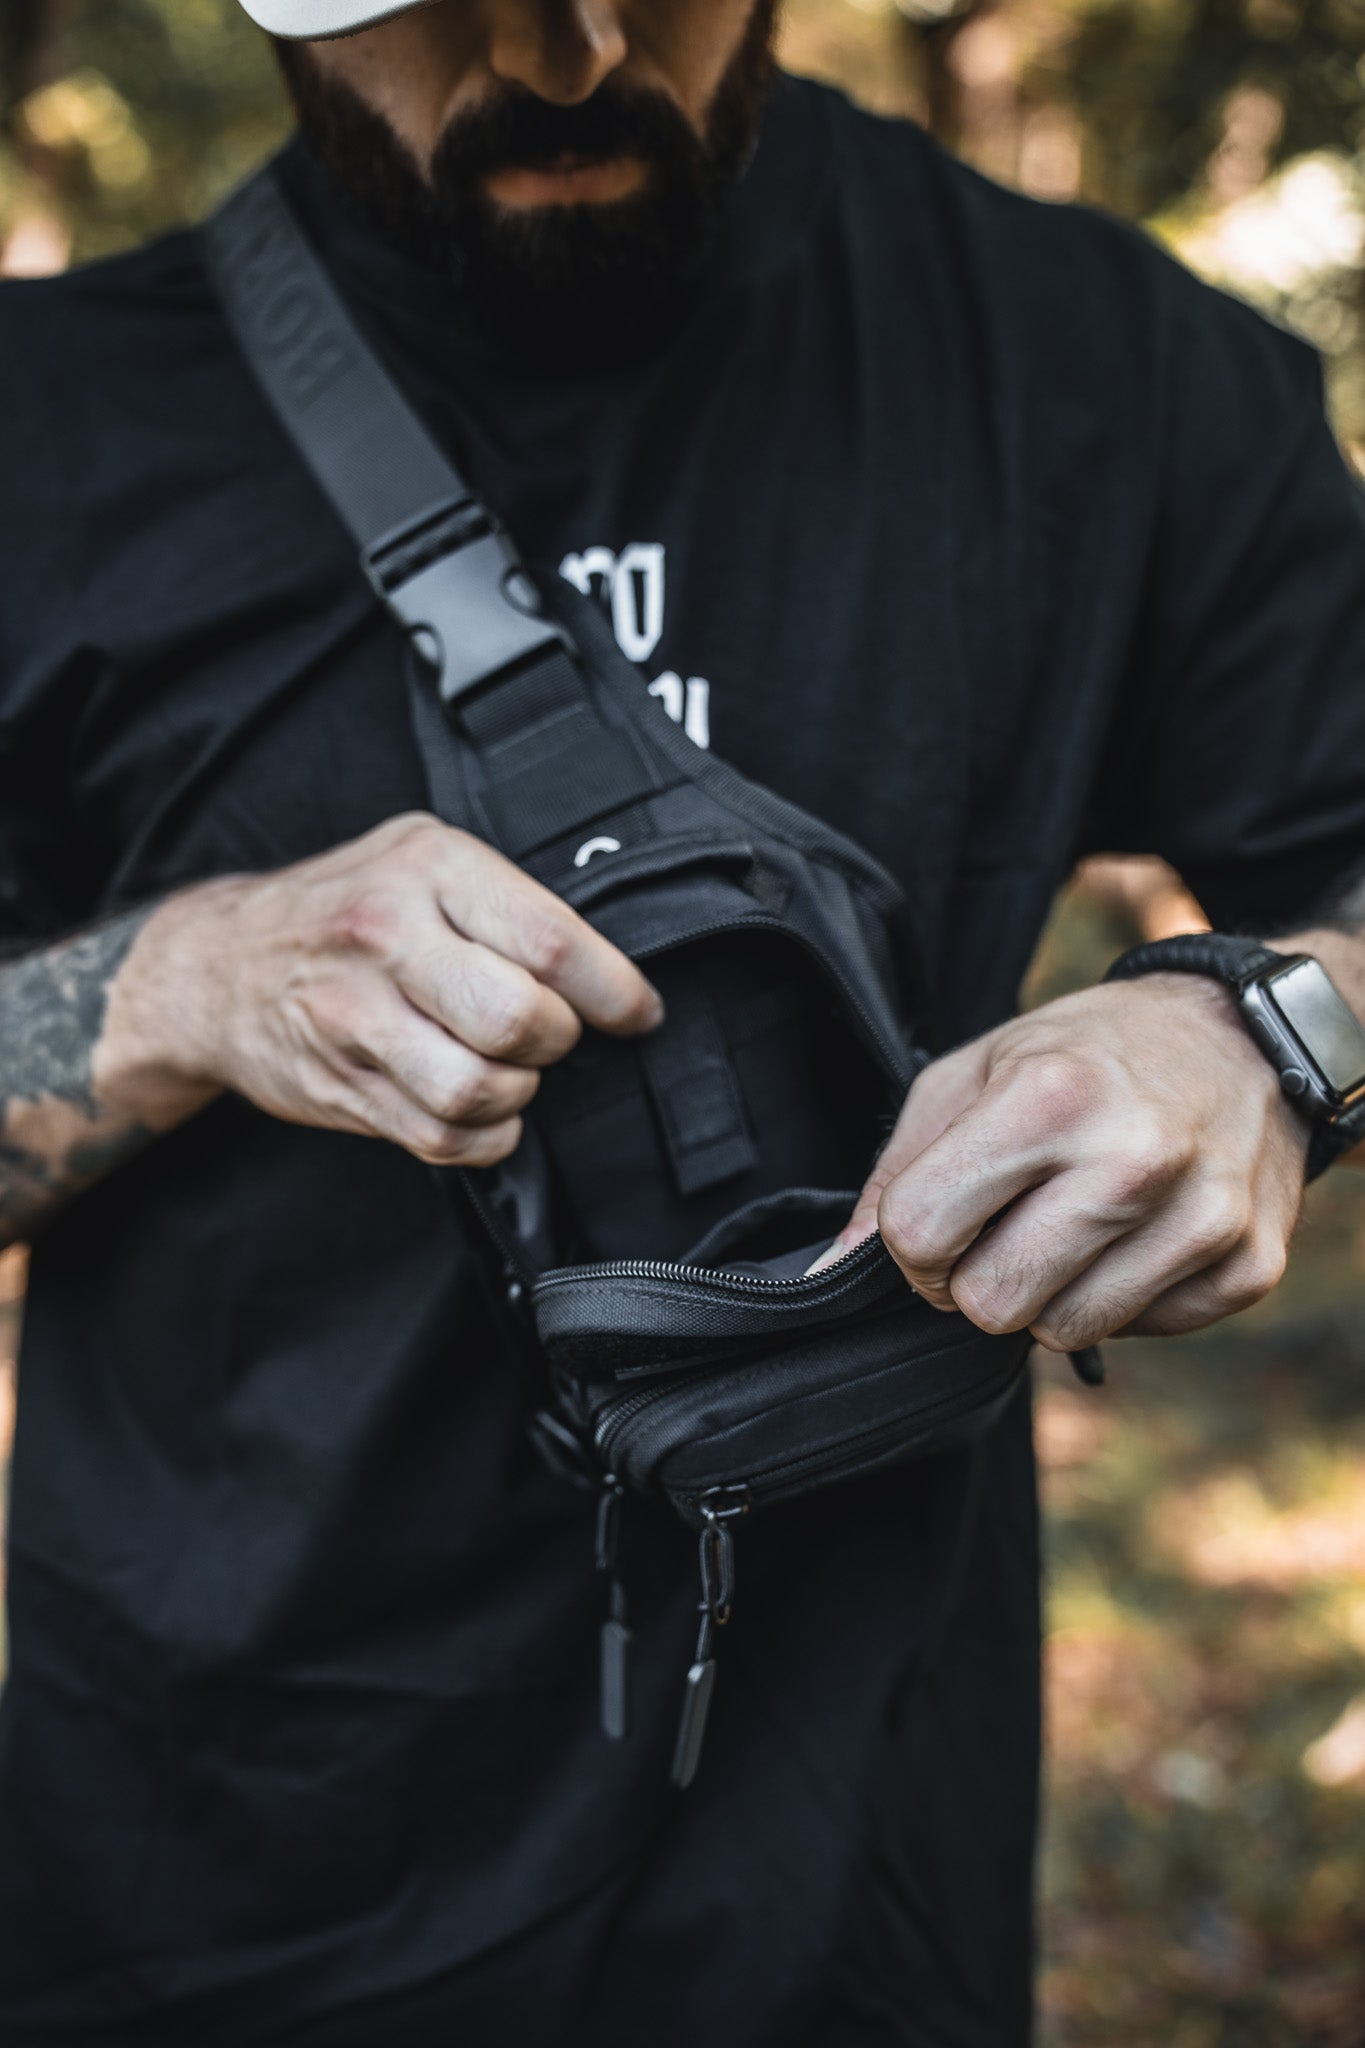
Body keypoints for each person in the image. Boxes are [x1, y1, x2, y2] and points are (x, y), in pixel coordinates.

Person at [1, 0, 1363, 2040]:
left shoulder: (1096, 368)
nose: (565, 57)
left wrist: (1268, 1035)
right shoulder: (46, 435)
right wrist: (184, 983)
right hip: (202, 1901)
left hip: (852, 1907)